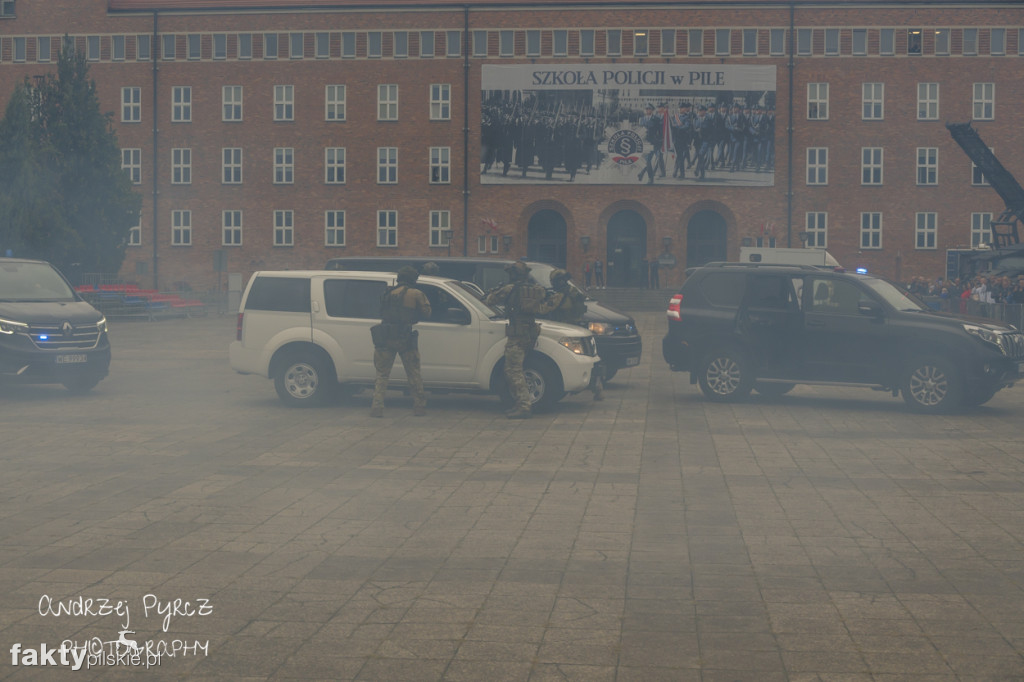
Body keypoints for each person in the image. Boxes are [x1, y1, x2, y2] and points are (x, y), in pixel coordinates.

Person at [484, 261, 550, 419]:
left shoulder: (509, 289)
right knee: (515, 369)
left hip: (516, 335)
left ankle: (524, 405)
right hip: (530, 333)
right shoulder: (536, 289)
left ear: (513, 275)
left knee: (513, 371)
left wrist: (494, 291)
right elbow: (546, 300)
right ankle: (520, 404)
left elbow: (489, 301)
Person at [370, 266, 431, 418]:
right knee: (413, 373)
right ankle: (419, 406)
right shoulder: (416, 294)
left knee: (382, 375)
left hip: (385, 337)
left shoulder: (387, 293)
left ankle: (377, 407)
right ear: (412, 279)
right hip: (405, 338)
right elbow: (427, 313)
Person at [546, 269, 604, 401]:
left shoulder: (561, 295)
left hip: (566, 330)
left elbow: (547, 308)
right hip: (578, 328)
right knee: (590, 359)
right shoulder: (574, 292)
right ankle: (598, 387)